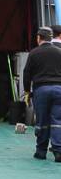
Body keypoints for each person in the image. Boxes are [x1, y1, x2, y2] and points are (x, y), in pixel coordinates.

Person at [23, 26, 61, 161]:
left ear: (38, 38)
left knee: (42, 121)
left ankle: (41, 151)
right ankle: (58, 151)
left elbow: (27, 73)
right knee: (58, 121)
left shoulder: (34, 53)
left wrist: (27, 91)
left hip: (42, 90)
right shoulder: (59, 52)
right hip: (59, 90)